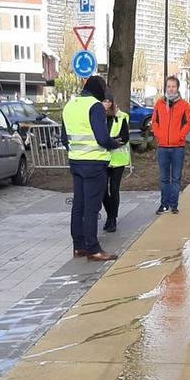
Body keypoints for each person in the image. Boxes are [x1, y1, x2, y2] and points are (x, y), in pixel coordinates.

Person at [63, 75, 120, 262]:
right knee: (92, 208)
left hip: (76, 162)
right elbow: (102, 138)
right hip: (94, 164)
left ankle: (78, 247)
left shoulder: (70, 105)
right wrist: (114, 144)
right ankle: (93, 249)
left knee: (78, 206)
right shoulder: (94, 106)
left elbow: (65, 139)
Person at [151, 75, 190, 214]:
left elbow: (189, 123)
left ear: (177, 88)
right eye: (168, 86)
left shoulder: (184, 105)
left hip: (177, 148)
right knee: (164, 178)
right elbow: (154, 121)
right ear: (166, 87)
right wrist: (159, 135)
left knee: (176, 178)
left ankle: (174, 204)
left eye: (173, 86)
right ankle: (164, 204)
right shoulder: (159, 104)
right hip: (163, 147)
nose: (171, 89)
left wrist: (180, 136)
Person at [102, 92, 130, 233]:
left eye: (109, 101)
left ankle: (112, 219)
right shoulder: (98, 117)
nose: (107, 104)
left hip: (118, 160)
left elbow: (125, 137)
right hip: (103, 159)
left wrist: (111, 142)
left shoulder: (121, 117)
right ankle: (110, 215)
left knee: (114, 189)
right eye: (104, 101)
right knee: (102, 190)